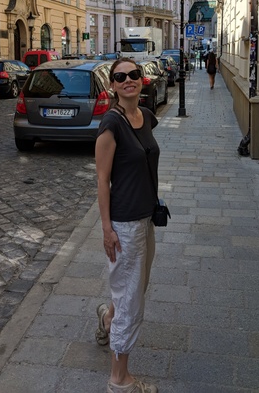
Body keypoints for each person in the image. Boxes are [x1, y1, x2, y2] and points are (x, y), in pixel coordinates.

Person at [95, 57, 159, 393]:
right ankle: (119, 381)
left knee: (134, 289)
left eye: (133, 74)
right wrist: (107, 230)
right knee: (131, 300)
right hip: (125, 226)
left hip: (146, 218)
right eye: (120, 77)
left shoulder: (145, 116)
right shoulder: (111, 125)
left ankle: (108, 317)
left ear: (141, 78)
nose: (128, 80)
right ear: (113, 86)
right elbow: (102, 180)